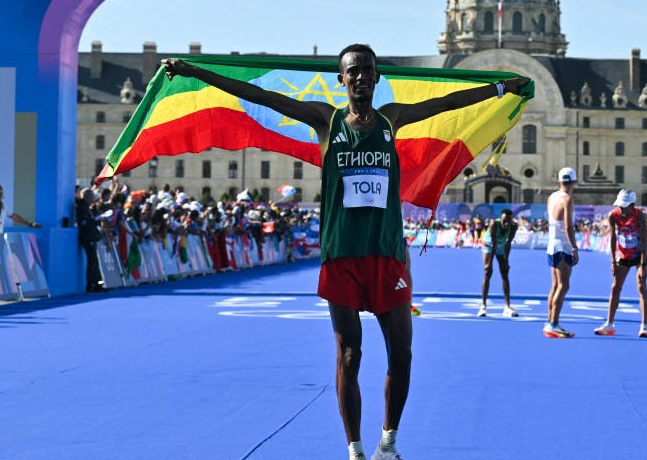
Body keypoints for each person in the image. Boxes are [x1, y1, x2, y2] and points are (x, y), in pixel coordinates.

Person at [164, 45, 528, 460]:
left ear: (376, 78)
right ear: (342, 79)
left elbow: (446, 102)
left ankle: (387, 442)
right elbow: (260, 96)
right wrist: (195, 72)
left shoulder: (391, 118)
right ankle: (355, 449)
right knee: (350, 354)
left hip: (386, 254)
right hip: (342, 255)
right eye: (352, 72)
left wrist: (499, 87)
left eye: (367, 71)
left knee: (403, 354)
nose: (360, 78)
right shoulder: (326, 119)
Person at [595, 189, 647, 338]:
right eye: (620, 205)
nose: (622, 208)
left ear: (632, 205)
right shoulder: (613, 215)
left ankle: (644, 326)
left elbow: (645, 240)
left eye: (625, 206)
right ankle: (609, 323)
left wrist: (643, 265)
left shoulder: (639, 215)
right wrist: (613, 261)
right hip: (623, 253)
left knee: (641, 284)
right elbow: (612, 238)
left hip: (639, 253)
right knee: (615, 287)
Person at [544, 167, 579, 338]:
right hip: (563, 245)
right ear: (574, 182)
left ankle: (550, 321)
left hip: (552, 244)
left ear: (559, 181)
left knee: (555, 285)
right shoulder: (567, 199)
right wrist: (574, 248)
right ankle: (553, 323)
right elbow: (568, 226)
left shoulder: (552, 197)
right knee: (563, 285)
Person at [477, 208, 518, 317]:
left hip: (500, 246)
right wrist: (489, 264)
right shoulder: (494, 225)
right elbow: (493, 244)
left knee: (505, 273)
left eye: (508, 221)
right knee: (487, 272)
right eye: (504, 221)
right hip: (489, 246)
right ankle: (483, 306)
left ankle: (507, 307)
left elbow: (508, 244)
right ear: (500, 219)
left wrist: (506, 261)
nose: (506, 223)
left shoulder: (514, 227)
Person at [76, 188, 106, 292]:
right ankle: (92, 285)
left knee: (94, 261)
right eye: (92, 198)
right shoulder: (82, 208)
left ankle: (98, 284)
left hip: (91, 236)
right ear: (87, 197)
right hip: (88, 237)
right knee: (92, 261)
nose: (93, 200)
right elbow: (84, 223)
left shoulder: (88, 208)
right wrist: (95, 220)